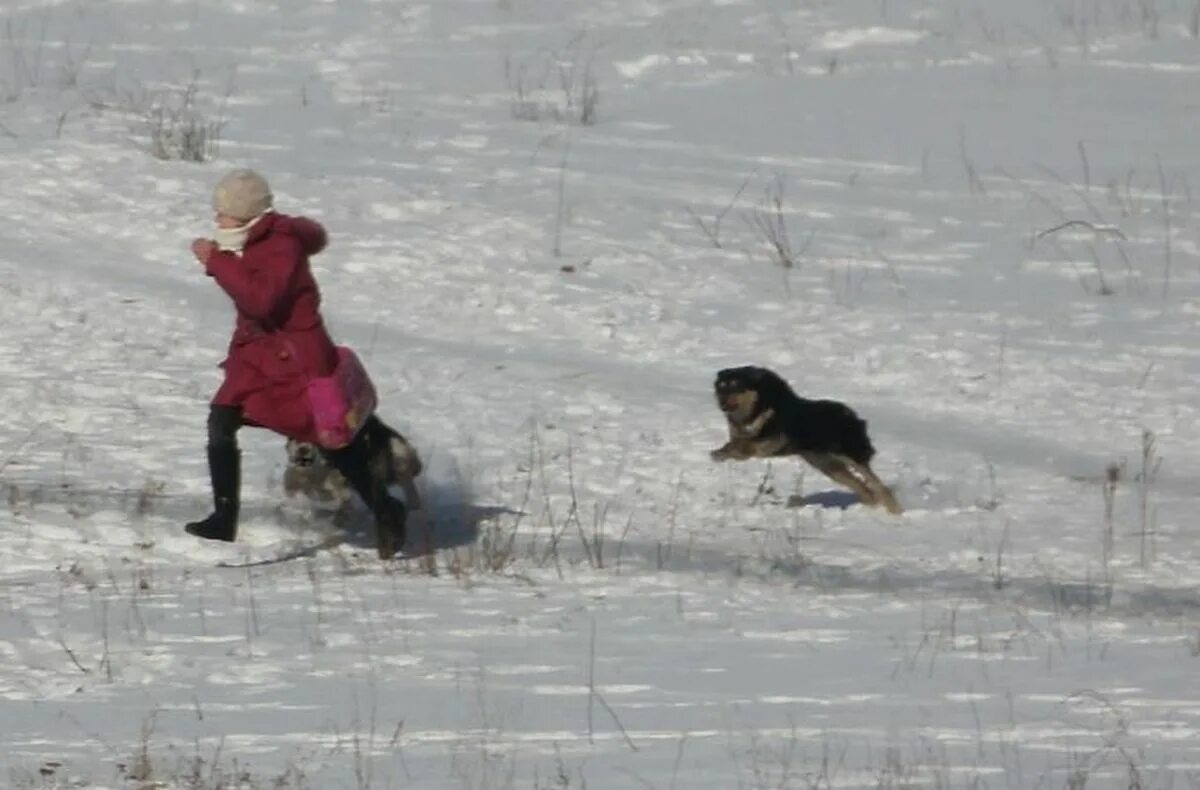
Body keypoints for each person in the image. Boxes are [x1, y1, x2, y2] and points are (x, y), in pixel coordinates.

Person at [186, 169, 408, 558]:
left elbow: (261, 301)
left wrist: (217, 262)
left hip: (297, 366)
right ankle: (224, 517)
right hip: (261, 360)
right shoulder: (255, 243)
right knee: (222, 416)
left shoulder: (280, 246)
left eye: (222, 213)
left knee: (334, 441)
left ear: (243, 215)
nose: (216, 220)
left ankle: (387, 509)